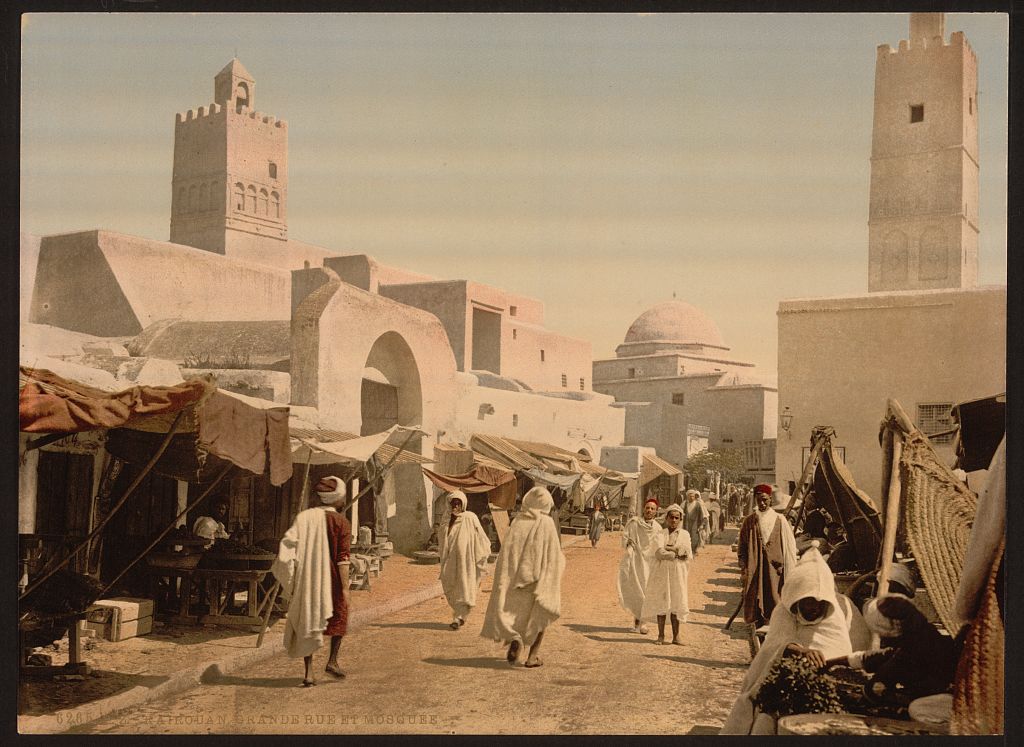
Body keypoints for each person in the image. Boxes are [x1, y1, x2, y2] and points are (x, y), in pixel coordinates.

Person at [721, 541, 871, 734]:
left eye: (819, 602)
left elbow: (839, 654)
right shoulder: (783, 613)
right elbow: (770, 651)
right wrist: (796, 649)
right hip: (782, 686)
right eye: (808, 601)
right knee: (761, 711)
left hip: (821, 691)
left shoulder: (833, 617)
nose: (814, 607)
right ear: (796, 598)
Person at [271, 475, 351, 687]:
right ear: (338, 498)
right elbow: (343, 558)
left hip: (309, 578)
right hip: (332, 579)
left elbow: (288, 545)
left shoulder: (305, 517)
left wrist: (292, 574)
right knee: (339, 618)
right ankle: (332, 661)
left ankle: (308, 672)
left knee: (309, 621)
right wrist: (345, 588)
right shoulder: (342, 522)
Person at [480, 486, 566, 668]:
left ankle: (515, 641)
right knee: (539, 616)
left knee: (516, 616)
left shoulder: (517, 522)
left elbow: (506, 553)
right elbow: (554, 555)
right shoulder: (547, 523)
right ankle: (532, 656)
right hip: (536, 579)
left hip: (515, 579)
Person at [736, 484, 798, 638]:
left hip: (775, 569)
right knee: (755, 599)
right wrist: (744, 569)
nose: (762, 503)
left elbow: (790, 547)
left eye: (764, 500)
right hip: (755, 568)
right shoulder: (749, 521)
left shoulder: (780, 520)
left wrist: (789, 569)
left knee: (775, 598)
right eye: (759, 500)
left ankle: (775, 630)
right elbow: (742, 548)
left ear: (770, 500)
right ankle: (760, 630)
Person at [439, 491, 491, 630]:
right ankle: (461, 615)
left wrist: (481, 552)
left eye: (458, 503)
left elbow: (481, 536)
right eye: (453, 503)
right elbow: (443, 538)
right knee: (451, 584)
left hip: (467, 560)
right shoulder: (446, 518)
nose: (456, 506)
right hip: (451, 560)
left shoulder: (470, 517)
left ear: (463, 504)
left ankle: (459, 617)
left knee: (465, 587)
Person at [640, 504, 692, 644]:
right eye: (671, 517)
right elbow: (658, 553)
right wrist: (675, 551)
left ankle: (676, 636)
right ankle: (661, 635)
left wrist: (670, 550)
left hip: (677, 572)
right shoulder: (660, 534)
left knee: (676, 601)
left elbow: (686, 554)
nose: (674, 520)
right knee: (662, 602)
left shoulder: (685, 535)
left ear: (680, 519)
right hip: (662, 572)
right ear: (667, 518)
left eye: (677, 518)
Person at [618, 497, 661, 634]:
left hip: (649, 563)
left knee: (646, 592)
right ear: (643, 509)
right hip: (636, 561)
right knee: (636, 591)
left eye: (652, 509)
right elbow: (625, 537)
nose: (649, 510)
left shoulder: (657, 528)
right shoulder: (634, 523)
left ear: (656, 512)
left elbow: (659, 546)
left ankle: (644, 623)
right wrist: (629, 542)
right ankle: (637, 622)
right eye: (647, 508)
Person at [683, 489, 709, 556]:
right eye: (690, 496)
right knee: (686, 536)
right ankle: (688, 551)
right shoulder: (685, 504)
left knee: (694, 537)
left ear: (694, 497)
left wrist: (701, 524)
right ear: (687, 497)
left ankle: (694, 551)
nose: (691, 498)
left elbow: (701, 515)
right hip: (686, 523)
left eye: (692, 496)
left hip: (695, 523)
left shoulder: (698, 504)